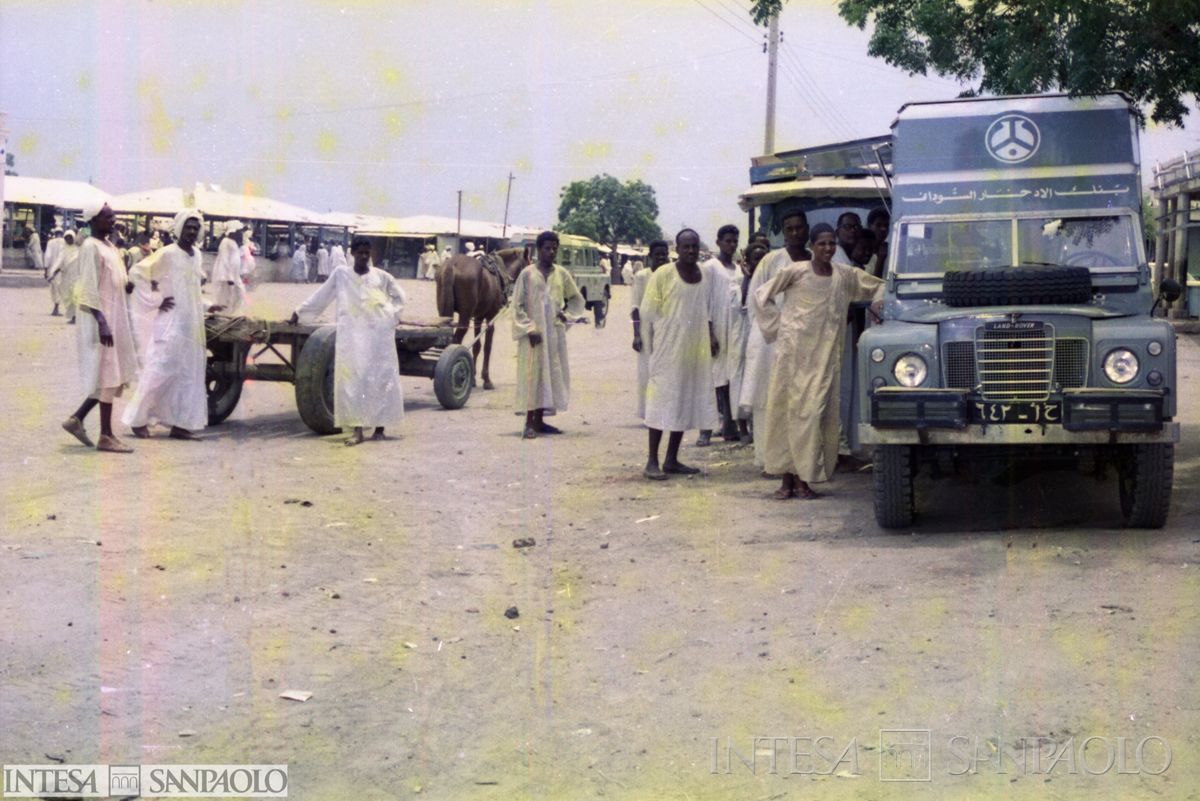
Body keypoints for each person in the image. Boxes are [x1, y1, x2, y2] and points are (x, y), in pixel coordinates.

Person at [753, 223, 884, 500]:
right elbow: (761, 296)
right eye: (822, 243)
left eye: (831, 243)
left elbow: (878, 287)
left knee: (812, 415)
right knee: (786, 414)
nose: (827, 248)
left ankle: (805, 478)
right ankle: (787, 481)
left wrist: (878, 308)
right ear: (812, 246)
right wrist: (780, 328)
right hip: (792, 356)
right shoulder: (796, 271)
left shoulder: (843, 275)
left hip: (823, 358)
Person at [289, 236, 407, 446]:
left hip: (378, 336)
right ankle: (357, 430)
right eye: (359, 252)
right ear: (352, 253)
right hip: (352, 336)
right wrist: (300, 312)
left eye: (366, 252)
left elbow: (399, 297)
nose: (363, 256)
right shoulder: (341, 274)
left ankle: (380, 427)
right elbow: (322, 295)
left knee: (379, 377)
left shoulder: (381, 277)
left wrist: (391, 316)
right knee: (353, 381)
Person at [122, 209, 213, 440]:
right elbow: (137, 273)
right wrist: (157, 300)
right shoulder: (168, 253)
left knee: (188, 374)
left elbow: (192, 290)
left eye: (195, 227)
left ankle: (181, 425)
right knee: (160, 369)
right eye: (188, 226)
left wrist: (207, 306)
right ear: (179, 228)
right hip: (171, 322)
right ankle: (137, 420)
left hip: (191, 325)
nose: (192, 231)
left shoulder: (197, 256)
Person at [639, 229, 721, 480]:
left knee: (684, 400)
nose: (691, 251)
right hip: (668, 349)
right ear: (677, 248)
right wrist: (659, 339)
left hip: (695, 349)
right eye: (686, 247)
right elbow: (647, 312)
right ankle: (651, 461)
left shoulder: (705, 274)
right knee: (661, 401)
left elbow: (707, 309)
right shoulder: (663, 274)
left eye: (695, 246)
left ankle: (672, 459)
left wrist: (711, 334)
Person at [61, 203, 139, 453]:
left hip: (115, 316)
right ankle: (106, 435)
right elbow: (88, 288)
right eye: (108, 217)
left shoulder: (111, 246)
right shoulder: (89, 247)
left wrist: (126, 285)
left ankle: (76, 419)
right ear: (94, 221)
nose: (113, 221)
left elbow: (115, 278)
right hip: (101, 320)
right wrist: (102, 322)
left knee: (109, 375)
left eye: (114, 216)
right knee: (107, 374)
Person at [738, 209, 809, 470]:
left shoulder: (813, 261)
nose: (795, 233)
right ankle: (768, 460)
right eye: (789, 229)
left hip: (802, 341)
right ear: (783, 232)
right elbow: (755, 299)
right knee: (767, 398)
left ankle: (794, 461)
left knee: (797, 399)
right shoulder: (771, 260)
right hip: (770, 339)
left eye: (799, 228)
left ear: (807, 229)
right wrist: (777, 328)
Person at [511, 230, 587, 439]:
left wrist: (566, 316)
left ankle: (540, 422)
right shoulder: (527, 274)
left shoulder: (561, 273)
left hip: (553, 335)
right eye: (547, 248)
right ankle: (528, 423)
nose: (551, 252)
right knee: (531, 377)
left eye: (554, 248)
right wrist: (528, 328)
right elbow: (517, 305)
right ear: (539, 250)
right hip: (533, 337)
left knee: (549, 377)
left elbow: (576, 299)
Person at [698, 224, 742, 445]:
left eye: (735, 241)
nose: (732, 245)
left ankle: (729, 426)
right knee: (712, 380)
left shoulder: (738, 268)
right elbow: (704, 302)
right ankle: (705, 429)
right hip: (717, 329)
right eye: (728, 241)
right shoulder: (710, 267)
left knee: (729, 380)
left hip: (734, 330)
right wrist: (709, 333)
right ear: (718, 242)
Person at [631, 239, 670, 420]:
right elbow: (636, 307)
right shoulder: (641, 276)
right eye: (658, 255)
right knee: (647, 371)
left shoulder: (672, 275)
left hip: (667, 330)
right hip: (647, 330)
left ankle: (664, 411)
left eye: (664, 254)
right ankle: (648, 413)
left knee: (665, 370)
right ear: (650, 256)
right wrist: (637, 335)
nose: (662, 258)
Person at [211, 220, 247, 312]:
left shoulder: (234, 242)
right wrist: (228, 277)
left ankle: (233, 313)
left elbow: (237, 257)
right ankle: (224, 315)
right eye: (238, 231)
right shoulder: (225, 242)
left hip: (234, 275)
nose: (240, 234)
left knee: (239, 294)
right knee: (225, 297)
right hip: (226, 277)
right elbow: (224, 259)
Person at [44, 228, 66, 316]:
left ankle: (55, 308)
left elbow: (47, 256)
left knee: (53, 289)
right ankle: (56, 308)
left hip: (51, 270)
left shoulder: (50, 242)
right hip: (61, 270)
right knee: (59, 289)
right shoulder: (65, 242)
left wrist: (45, 269)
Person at [867, 207, 890, 277]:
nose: (883, 229)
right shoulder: (864, 250)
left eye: (886, 225)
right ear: (870, 226)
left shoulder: (891, 249)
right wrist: (881, 259)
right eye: (878, 225)